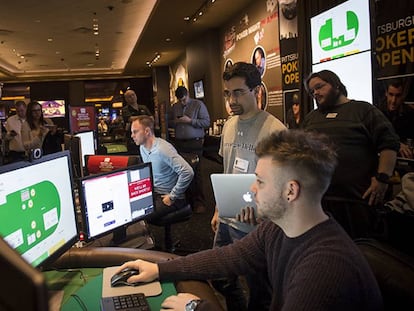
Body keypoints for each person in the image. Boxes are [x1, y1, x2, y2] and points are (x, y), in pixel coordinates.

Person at [115, 130, 383, 311]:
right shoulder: (277, 229)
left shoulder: (325, 269)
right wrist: (160, 270)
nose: (252, 189)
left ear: (291, 191)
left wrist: (196, 307)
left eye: (261, 181)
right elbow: (228, 257)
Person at [211, 62, 286, 310]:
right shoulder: (229, 125)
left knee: (260, 291)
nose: (231, 100)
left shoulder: (275, 131)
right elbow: (227, 169)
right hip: (227, 219)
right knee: (220, 278)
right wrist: (218, 209)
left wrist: (265, 215)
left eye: (238, 92)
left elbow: (283, 187)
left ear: (257, 91)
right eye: (228, 93)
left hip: (256, 225)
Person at [303, 70, 400, 237]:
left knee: (362, 253)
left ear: (336, 85)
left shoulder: (363, 110)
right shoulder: (311, 118)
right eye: (312, 91)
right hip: (319, 202)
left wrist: (383, 178)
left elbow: (389, 144)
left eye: (319, 87)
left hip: (358, 202)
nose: (316, 93)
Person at [130, 115, 194, 222]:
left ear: (147, 131)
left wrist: (172, 196)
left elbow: (188, 172)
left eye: (135, 132)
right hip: (155, 193)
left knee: (138, 217)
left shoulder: (163, 149)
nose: (132, 136)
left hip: (170, 197)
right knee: (128, 209)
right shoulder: (142, 148)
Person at [168, 86, 210, 213]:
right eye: (180, 100)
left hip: (194, 143)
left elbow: (206, 122)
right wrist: (175, 122)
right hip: (180, 143)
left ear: (187, 94)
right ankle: (186, 201)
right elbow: (169, 123)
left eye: (184, 99)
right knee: (183, 172)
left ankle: (199, 202)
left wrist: (190, 121)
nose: (182, 102)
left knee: (195, 172)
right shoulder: (175, 107)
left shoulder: (198, 105)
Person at [378, 79, 414, 159]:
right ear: (386, 93)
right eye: (391, 94)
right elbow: (376, 137)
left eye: (398, 96)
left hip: (404, 158)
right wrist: (397, 143)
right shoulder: (377, 112)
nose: (393, 100)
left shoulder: (410, 113)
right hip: (383, 157)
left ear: (403, 95)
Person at [122, 88, 152, 153]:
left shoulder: (143, 107)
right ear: (126, 99)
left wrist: (144, 118)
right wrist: (144, 117)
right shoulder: (125, 110)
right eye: (129, 96)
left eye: (133, 95)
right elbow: (130, 118)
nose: (132, 97)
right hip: (133, 139)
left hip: (146, 137)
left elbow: (151, 118)